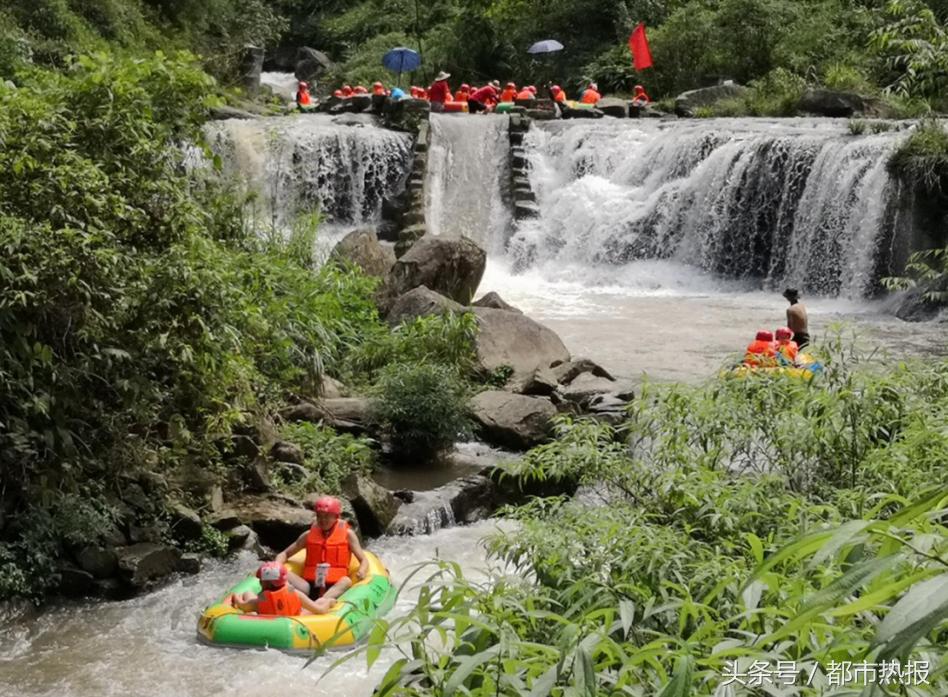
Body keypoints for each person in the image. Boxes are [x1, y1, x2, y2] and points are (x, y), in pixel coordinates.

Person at [276, 495, 369, 606]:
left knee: (346, 581)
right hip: (309, 586)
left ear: (336, 517)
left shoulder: (348, 535)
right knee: (283, 572)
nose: (322, 520)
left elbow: (363, 559)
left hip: (335, 585)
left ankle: (320, 602)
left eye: (327, 516)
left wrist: (362, 571)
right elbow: (285, 553)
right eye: (319, 516)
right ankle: (281, 599)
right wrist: (277, 566)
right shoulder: (308, 535)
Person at [226, 562, 327, 616]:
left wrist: (235, 596)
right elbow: (320, 610)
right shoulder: (295, 593)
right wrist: (329, 603)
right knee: (321, 601)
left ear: (262, 582)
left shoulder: (260, 601)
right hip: (294, 621)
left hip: (269, 625)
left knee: (247, 594)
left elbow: (243, 606)